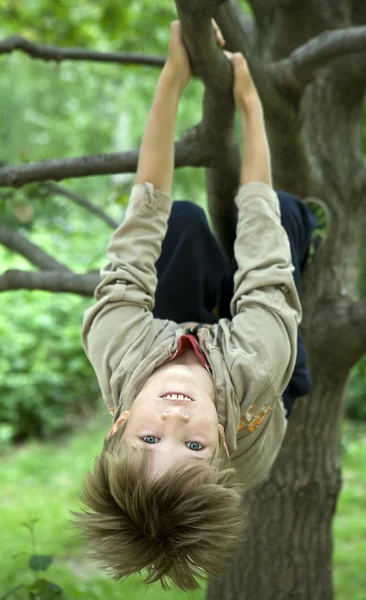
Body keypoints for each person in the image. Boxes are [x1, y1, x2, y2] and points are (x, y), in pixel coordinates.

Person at [74, 20, 315, 591]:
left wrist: (174, 78)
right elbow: (264, 250)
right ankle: (312, 223)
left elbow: (143, 213)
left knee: (178, 219)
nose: (175, 417)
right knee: (279, 215)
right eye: (194, 446)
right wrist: (251, 103)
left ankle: (210, 270)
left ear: (120, 425)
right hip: (256, 382)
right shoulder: (259, 361)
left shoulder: (116, 345)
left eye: (151, 440)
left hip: (171, 345)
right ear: (224, 444)